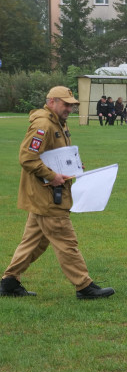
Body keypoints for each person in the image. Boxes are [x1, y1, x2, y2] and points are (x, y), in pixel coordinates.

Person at [0, 87, 115, 300]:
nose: (70, 108)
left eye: (72, 105)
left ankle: (9, 282)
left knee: (34, 242)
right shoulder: (44, 124)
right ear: (52, 102)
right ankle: (84, 286)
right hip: (47, 196)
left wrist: (73, 166)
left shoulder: (57, 122)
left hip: (44, 196)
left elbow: (55, 155)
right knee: (66, 241)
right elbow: (27, 158)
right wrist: (51, 176)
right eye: (66, 104)